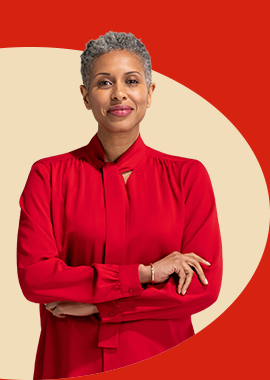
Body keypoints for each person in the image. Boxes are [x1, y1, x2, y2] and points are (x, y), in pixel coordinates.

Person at [17, 31, 223, 380]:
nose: (119, 93)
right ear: (85, 96)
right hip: (71, 366)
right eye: (103, 83)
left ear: (150, 92)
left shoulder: (188, 176)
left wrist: (100, 304)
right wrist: (147, 273)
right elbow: (35, 279)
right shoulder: (48, 175)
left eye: (131, 80)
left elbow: (203, 287)